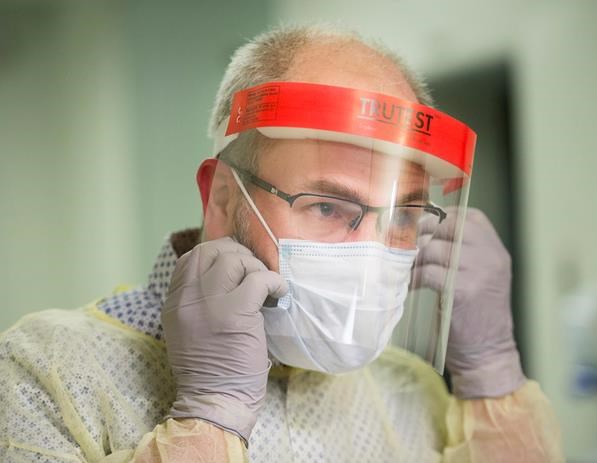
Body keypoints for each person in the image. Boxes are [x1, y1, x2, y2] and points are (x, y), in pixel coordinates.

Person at [0, 25, 564, 462]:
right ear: (223, 199)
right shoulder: (46, 370)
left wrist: (493, 376)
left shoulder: (408, 389)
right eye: (328, 206)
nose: (371, 254)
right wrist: (209, 417)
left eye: (402, 215)